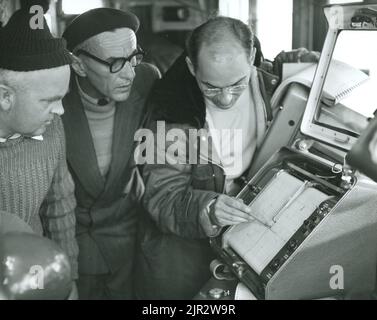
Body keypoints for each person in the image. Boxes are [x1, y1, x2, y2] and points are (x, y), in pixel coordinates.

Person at [135, 16, 318, 299]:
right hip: (183, 255)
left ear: (253, 58)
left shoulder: (273, 80)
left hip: (252, 246)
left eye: (237, 84)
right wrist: (207, 208)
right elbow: (161, 195)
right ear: (191, 66)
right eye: (211, 87)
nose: (225, 99)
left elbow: (316, 65)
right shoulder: (169, 108)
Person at [61, 8, 160, 299]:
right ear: (78, 65)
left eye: (133, 58)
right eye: (116, 62)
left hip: (131, 234)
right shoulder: (54, 98)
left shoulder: (147, 79)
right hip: (72, 241)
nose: (130, 72)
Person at [0, 8, 78, 291]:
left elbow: (61, 208)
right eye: (49, 100)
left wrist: (67, 280)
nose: (60, 111)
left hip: (37, 283)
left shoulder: (52, 129)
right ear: (5, 96)